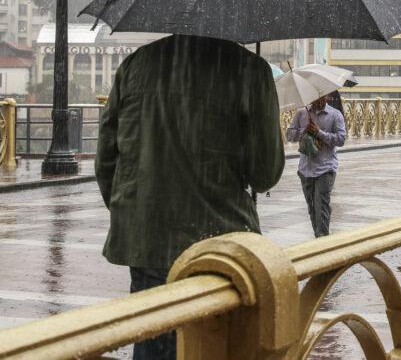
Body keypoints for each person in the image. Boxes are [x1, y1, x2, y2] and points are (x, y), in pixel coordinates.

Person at [96, 34, 284, 360]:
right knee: (216, 344)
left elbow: (106, 157)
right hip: (219, 243)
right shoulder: (249, 70)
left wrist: (135, 208)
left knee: (154, 342)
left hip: (148, 236)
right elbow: (264, 173)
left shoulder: (138, 63)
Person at [286, 92, 347, 238]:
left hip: (325, 168)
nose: (318, 99)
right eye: (315, 96)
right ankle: (318, 236)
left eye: (322, 96)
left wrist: (320, 133)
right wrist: (304, 131)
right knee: (312, 208)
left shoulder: (335, 114)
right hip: (305, 169)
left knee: (322, 206)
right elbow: (289, 135)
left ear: (327, 97)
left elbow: (341, 139)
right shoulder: (302, 113)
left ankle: (322, 239)